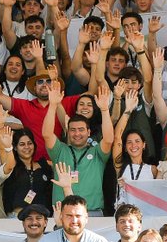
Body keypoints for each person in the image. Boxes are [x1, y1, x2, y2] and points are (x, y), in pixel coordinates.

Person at [42, 81, 114, 212]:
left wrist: (104, 109)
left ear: (88, 132)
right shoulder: (60, 150)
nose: (77, 133)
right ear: (68, 132)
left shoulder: (97, 152)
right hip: (62, 214)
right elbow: (47, 134)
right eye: (73, 130)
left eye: (81, 130)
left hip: (92, 212)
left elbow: (108, 139)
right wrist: (52, 105)